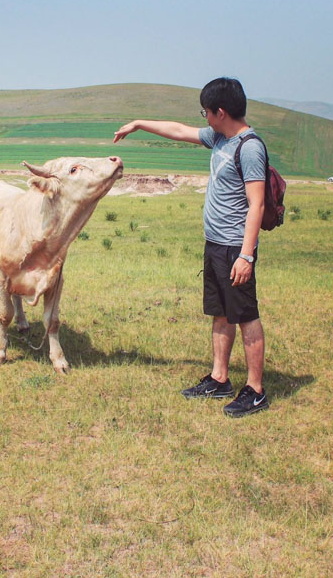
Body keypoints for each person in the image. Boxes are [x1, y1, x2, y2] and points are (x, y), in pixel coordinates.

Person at [114, 77, 269, 417]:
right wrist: (139, 123)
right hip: (215, 244)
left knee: (245, 316)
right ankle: (219, 378)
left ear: (221, 112)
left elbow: (255, 205)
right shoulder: (219, 138)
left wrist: (246, 255)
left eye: (206, 112)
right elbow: (177, 129)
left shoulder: (250, 147)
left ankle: (255, 390)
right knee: (220, 312)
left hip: (234, 248)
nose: (203, 118)